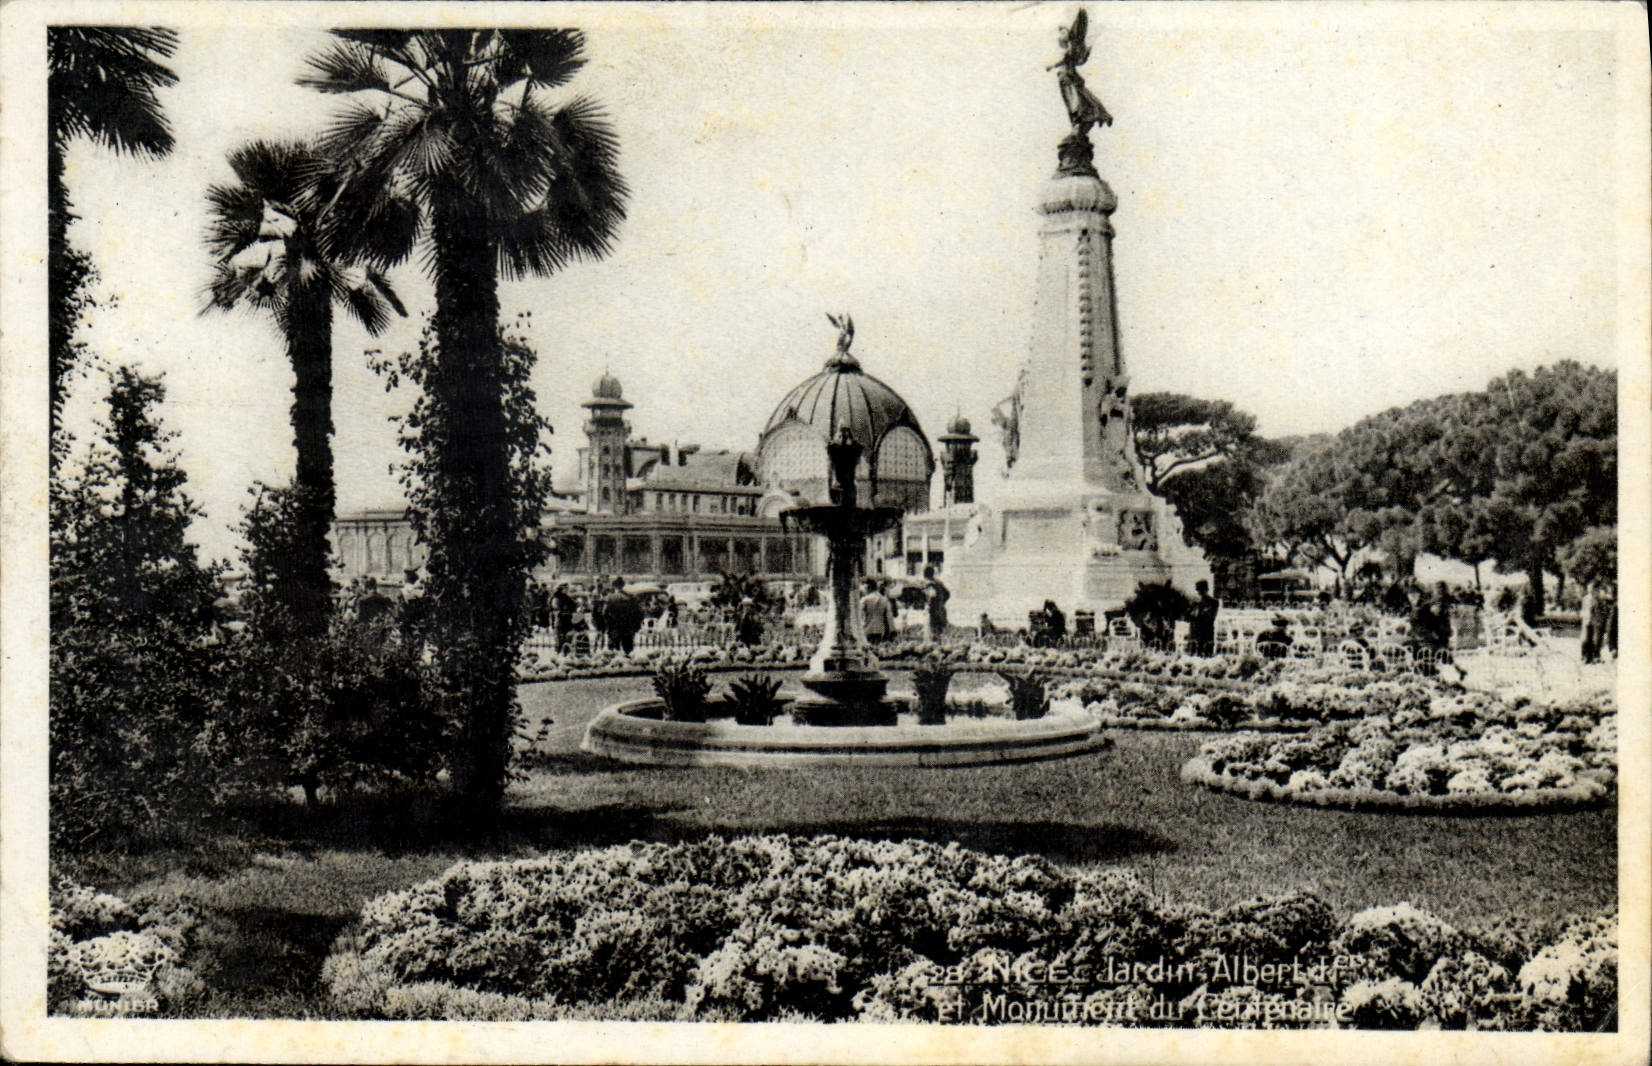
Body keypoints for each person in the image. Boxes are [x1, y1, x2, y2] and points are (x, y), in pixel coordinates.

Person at [602, 576, 644, 654]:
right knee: (628, 650)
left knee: (613, 651)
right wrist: (635, 626)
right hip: (627, 628)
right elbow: (639, 613)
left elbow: (604, 613)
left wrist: (607, 625)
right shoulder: (631, 597)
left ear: (614, 586)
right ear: (623, 585)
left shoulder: (610, 598)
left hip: (614, 628)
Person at [1186, 579, 1220, 657]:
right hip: (1194, 633)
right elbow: (1187, 617)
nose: (1200, 592)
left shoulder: (1213, 602)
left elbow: (1211, 617)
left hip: (1206, 633)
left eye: (1201, 590)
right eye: (1198, 590)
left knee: (1206, 656)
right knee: (1193, 656)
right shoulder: (1194, 602)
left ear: (1206, 589)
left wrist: (1198, 613)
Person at [859, 578, 893, 645]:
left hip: (867, 630)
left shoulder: (865, 599)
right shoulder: (884, 599)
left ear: (868, 587)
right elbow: (888, 618)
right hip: (880, 630)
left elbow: (860, 615)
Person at [922, 565, 951, 640]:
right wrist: (941, 602)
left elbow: (931, 597)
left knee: (933, 633)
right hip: (941, 609)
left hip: (933, 612)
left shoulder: (929, 584)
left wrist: (928, 604)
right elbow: (947, 594)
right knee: (940, 632)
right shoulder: (939, 583)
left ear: (925, 575)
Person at [551, 584, 577, 653]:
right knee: (559, 640)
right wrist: (562, 611)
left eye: (567, 589)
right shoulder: (556, 598)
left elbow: (573, 606)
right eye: (565, 589)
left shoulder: (567, 598)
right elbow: (556, 608)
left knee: (568, 639)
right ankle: (559, 652)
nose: (567, 590)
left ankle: (566, 652)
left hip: (568, 621)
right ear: (561, 589)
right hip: (560, 621)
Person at [1579, 582, 1599, 664]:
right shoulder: (1585, 599)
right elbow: (1583, 609)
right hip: (1586, 619)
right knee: (1585, 638)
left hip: (1592, 621)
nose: (1590, 590)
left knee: (1591, 638)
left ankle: (1590, 657)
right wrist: (1584, 617)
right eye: (1589, 588)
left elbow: (1596, 611)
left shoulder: (1595, 600)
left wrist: (1595, 620)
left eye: (1592, 589)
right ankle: (1584, 656)